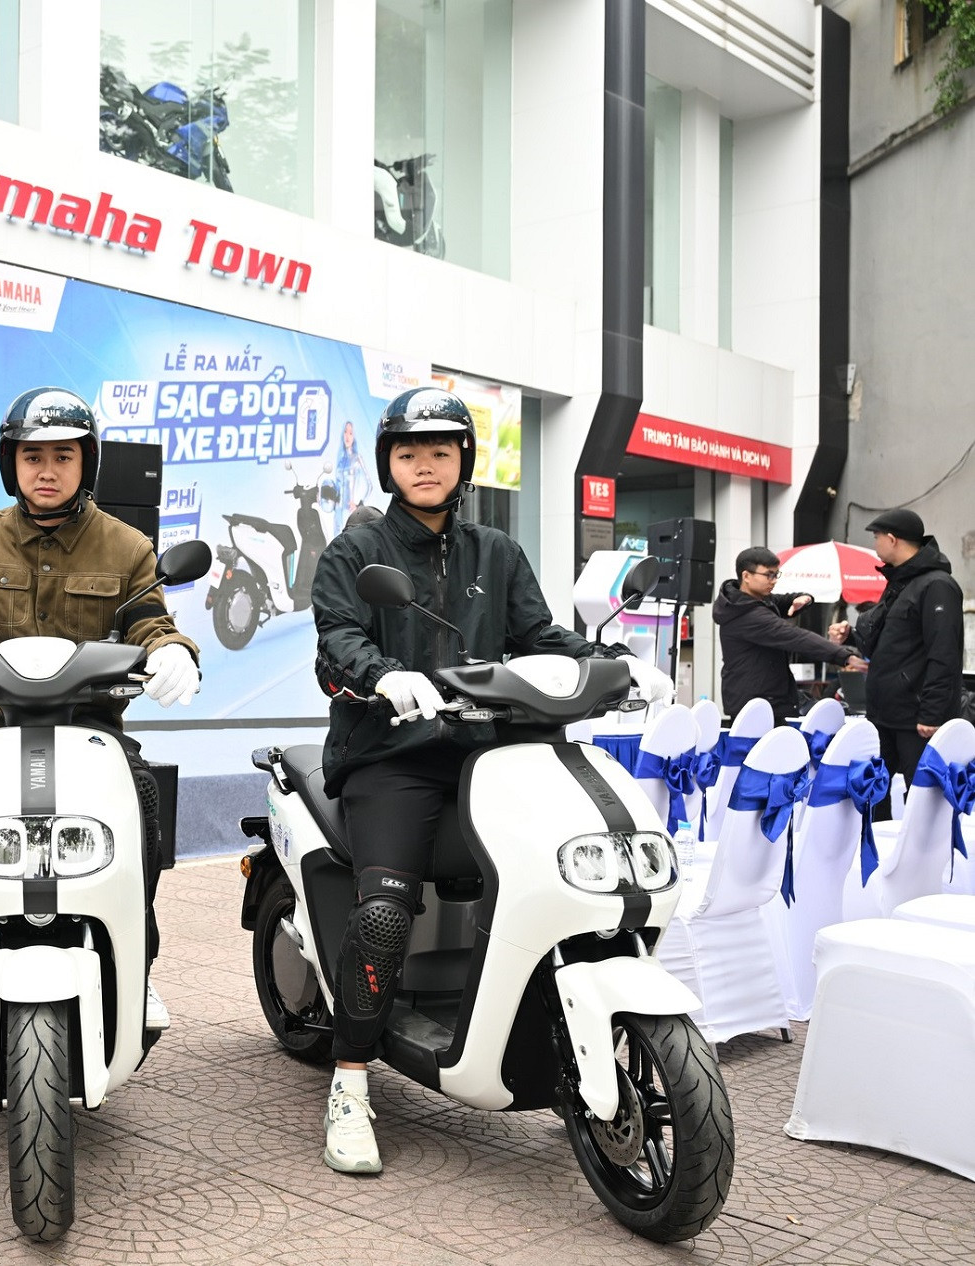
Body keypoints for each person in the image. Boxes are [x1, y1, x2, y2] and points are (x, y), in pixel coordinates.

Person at [307, 387, 672, 1175]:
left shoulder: (497, 553)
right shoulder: (355, 553)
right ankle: (351, 1079)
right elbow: (337, 640)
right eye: (409, 453)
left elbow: (538, 633)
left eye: (440, 451)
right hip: (393, 755)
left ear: (464, 461)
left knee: (567, 873)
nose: (424, 465)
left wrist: (615, 664)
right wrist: (386, 676)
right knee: (386, 909)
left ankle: (552, 1038)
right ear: (388, 464)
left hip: (494, 753)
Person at [0, 387, 202, 1145]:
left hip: (92, 739)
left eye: (62, 456)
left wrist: (173, 651)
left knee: (141, 829)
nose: (46, 471)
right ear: (10, 463)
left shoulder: (125, 546)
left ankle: (135, 964)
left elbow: (152, 619)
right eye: (31, 456)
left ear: (87, 463)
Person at [828, 509, 965, 812]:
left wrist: (932, 713)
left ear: (892, 539)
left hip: (917, 719)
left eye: (876, 537)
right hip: (883, 714)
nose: (875, 544)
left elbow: (944, 654)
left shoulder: (937, 585)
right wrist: (850, 636)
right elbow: (890, 641)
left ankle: (923, 847)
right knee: (873, 794)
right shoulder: (899, 583)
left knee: (923, 800)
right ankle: (875, 843)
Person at [714, 546, 864, 722]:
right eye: (768, 575)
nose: (774, 581)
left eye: (776, 574)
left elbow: (783, 600)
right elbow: (795, 637)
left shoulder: (756, 601)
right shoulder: (747, 614)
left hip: (767, 700)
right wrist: (844, 656)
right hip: (754, 706)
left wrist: (804, 598)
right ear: (746, 576)